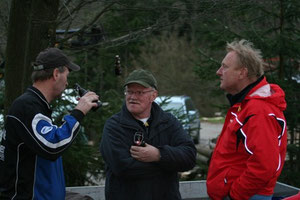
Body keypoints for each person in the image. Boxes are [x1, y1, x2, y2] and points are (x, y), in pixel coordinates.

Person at [0, 48, 99, 199]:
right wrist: (78, 112)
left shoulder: (36, 106)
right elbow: (52, 146)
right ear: (55, 74)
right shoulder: (27, 106)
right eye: (67, 74)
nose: (67, 82)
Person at [206, 39, 287, 200]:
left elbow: (264, 165)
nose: (219, 71)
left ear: (242, 73)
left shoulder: (259, 110)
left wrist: (235, 195)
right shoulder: (245, 106)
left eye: (225, 67)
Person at [100, 69, 197, 200]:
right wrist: (169, 165)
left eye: (139, 92)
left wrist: (158, 154)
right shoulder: (114, 126)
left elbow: (189, 157)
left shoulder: (169, 122)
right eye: (129, 91)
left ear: (153, 95)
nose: (133, 97)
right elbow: (122, 168)